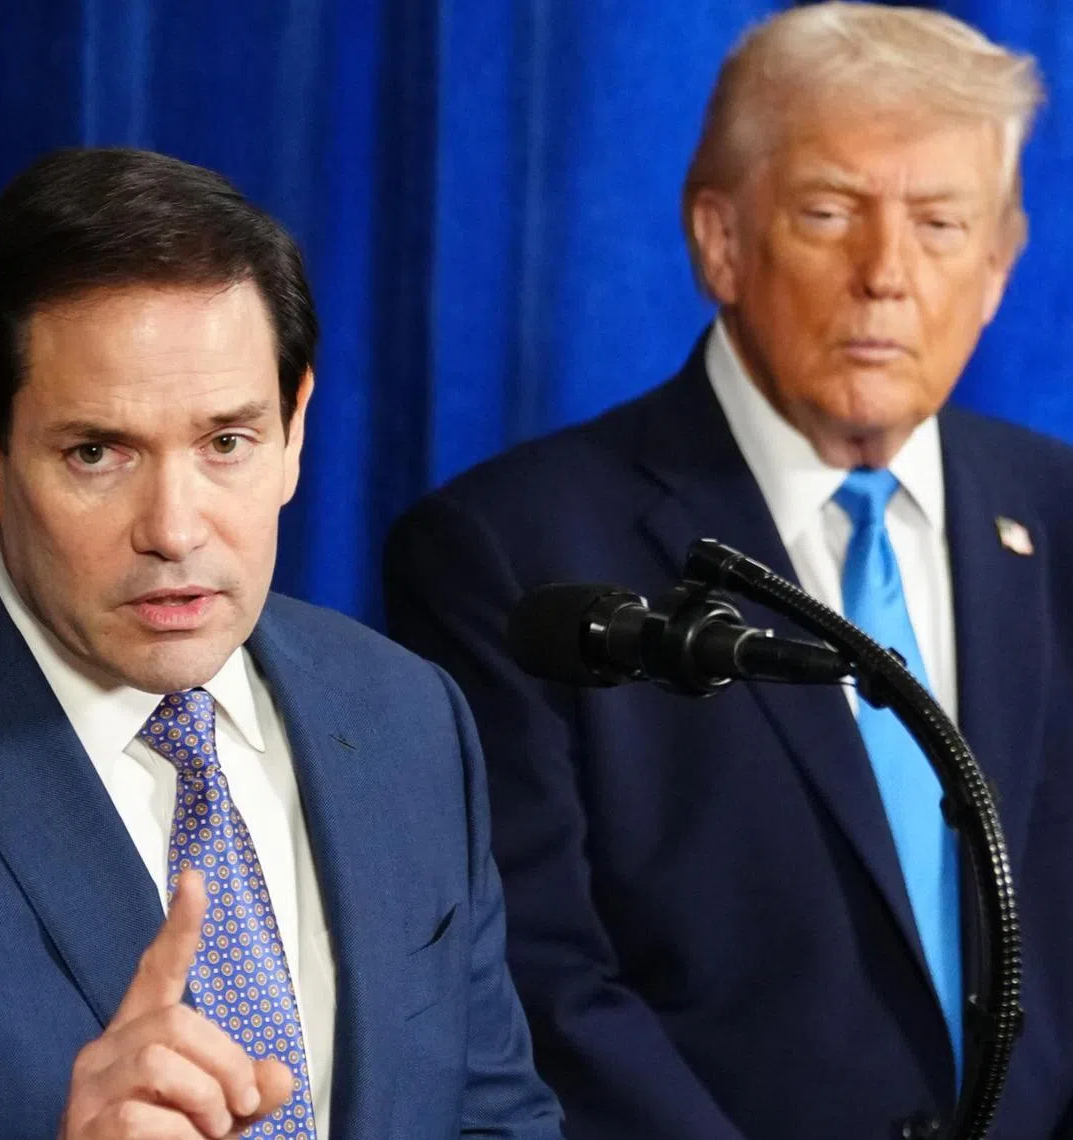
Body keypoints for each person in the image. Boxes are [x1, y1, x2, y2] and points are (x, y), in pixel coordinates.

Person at [383, 4, 1073, 1137]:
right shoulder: (510, 553)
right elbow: (538, 979)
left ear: (999, 268)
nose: (885, 274)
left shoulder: (1061, 517)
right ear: (720, 240)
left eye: (942, 224)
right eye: (828, 212)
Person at [0, 147, 563, 1140]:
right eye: (98, 452)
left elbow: (493, 1117)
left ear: (296, 427)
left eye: (227, 442)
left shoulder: (407, 716)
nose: (176, 529)